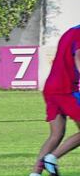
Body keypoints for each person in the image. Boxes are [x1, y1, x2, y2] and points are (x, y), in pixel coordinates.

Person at [29, 25, 80, 176]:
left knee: (56, 134)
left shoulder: (71, 31)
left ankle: (35, 173)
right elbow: (78, 56)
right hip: (67, 89)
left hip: (51, 87)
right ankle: (52, 158)